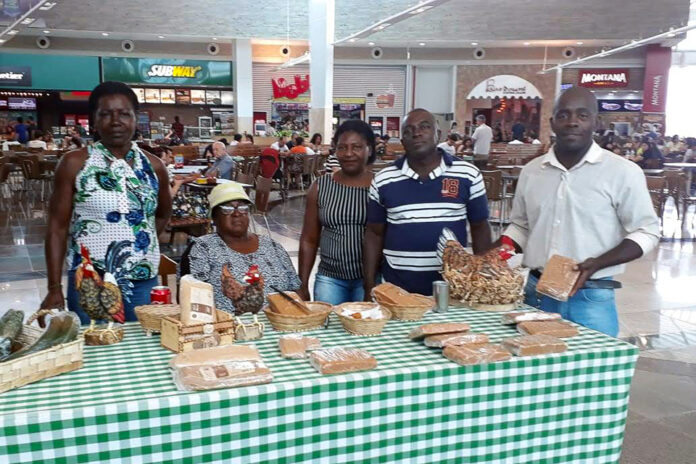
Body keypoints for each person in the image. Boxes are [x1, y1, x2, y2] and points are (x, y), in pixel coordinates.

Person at [499, 87, 660, 337]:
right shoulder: (532, 172)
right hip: (536, 293)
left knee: (596, 372)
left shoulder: (622, 172)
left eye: (582, 115)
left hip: (590, 295)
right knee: (537, 371)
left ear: (596, 122)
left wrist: (597, 264)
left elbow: (647, 231)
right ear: (553, 122)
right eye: (564, 115)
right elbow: (520, 226)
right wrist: (496, 254)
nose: (572, 122)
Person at [40, 81, 172, 323]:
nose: (115, 121)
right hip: (90, 281)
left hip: (142, 281)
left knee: (143, 349)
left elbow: (162, 214)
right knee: (94, 350)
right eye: (106, 114)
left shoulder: (154, 166)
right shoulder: (75, 163)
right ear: (94, 121)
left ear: (135, 118)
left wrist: (141, 244)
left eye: (124, 114)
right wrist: (53, 287)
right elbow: (57, 228)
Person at [363, 108, 492, 296]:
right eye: (409, 130)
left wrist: (481, 278)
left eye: (424, 127)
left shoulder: (467, 174)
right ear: (402, 141)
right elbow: (374, 235)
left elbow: (480, 226)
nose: (416, 133)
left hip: (452, 291)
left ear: (438, 134)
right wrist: (368, 287)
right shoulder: (383, 179)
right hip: (395, 291)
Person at [183, 182, 300, 313]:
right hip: (228, 328)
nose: (237, 213)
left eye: (243, 207)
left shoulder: (273, 246)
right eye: (227, 209)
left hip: (281, 324)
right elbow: (191, 302)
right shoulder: (202, 249)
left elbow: (296, 289)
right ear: (214, 217)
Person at [298, 120, 376, 304]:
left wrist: (371, 285)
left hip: (369, 280)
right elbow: (309, 239)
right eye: (342, 147)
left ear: (369, 149)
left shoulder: (379, 187)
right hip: (330, 279)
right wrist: (302, 284)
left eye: (356, 147)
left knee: (366, 330)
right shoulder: (320, 186)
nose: (348, 154)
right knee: (327, 330)